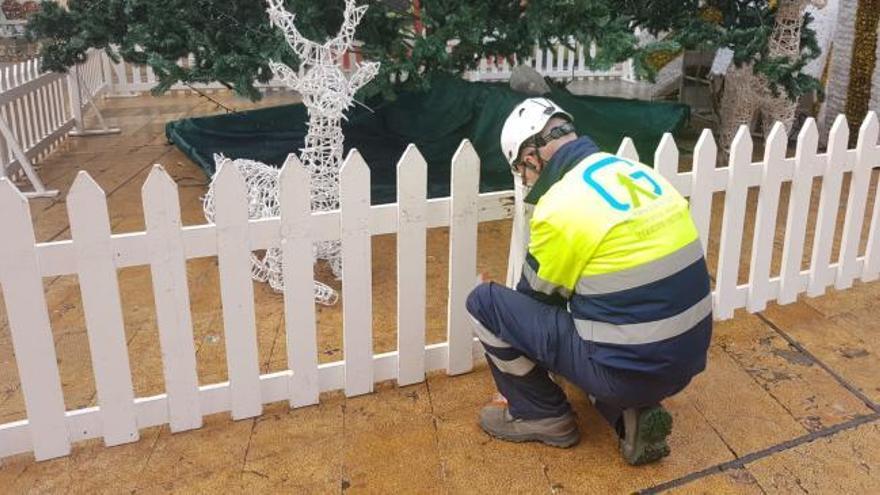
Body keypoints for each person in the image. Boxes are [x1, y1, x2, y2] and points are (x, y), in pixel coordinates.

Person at [466, 97, 712, 465]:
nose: (528, 182)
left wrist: (503, 305)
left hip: (627, 368)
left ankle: (542, 415)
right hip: (686, 360)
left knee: (485, 304)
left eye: (523, 173)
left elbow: (534, 303)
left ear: (532, 159)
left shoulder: (561, 204)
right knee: (595, 328)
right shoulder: (633, 171)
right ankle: (626, 415)